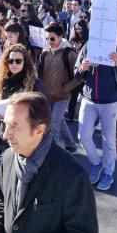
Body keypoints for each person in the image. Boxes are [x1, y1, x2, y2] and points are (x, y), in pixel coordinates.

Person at [0, 92, 98, 233]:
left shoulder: (72, 175)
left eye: (14, 126)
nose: (5, 135)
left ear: (39, 130)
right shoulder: (8, 158)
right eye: (6, 124)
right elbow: (0, 199)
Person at [74, 22, 117, 191]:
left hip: (110, 101)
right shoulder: (87, 46)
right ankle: (96, 163)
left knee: (109, 141)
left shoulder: (116, 49)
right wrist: (82, 68)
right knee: (83, 136)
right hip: (89, 99)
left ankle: (108, 172)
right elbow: (76, 73)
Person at [0, 44, 44, 161]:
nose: (14, 64)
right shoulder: (2, 81)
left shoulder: (34, 84)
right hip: (6, 133)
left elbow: (41, 113)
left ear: (25, 62)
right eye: (11, 61)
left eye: (18, 61)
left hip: (24, 134)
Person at [38, 22, 80, 151]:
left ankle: (55, 156)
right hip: (48, 96)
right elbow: (40, 72)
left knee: (53, 126)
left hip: (62, 97)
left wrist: (66, 88)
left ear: (61, 36)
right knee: (59, 121)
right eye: (47, 38)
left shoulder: (69, 54)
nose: (49, 41)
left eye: (52, 38)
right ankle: (71, 145)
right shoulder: (45, 52)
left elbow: (79, 76)